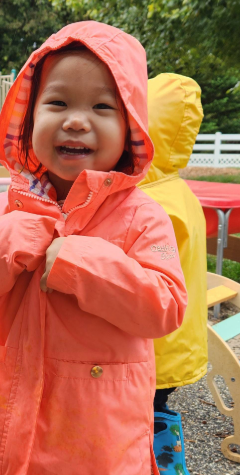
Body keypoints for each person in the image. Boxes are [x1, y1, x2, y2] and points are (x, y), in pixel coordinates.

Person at [0, 21, 186, 475]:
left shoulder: (142, 216)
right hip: (4, 419)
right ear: (28, 118)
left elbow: (166, 307)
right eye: (57, 103)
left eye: (102, 106)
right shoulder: (8, 206)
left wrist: (84, 263)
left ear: (131, 129)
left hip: (94, 436)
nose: (76, 120)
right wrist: (8, 237)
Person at [140, 73, 208, 475]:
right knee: (155, 411)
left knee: (139, 418)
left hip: (154, 350)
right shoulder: (176, 192)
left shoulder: (149, 204)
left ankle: (160, 466)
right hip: (177, 343)